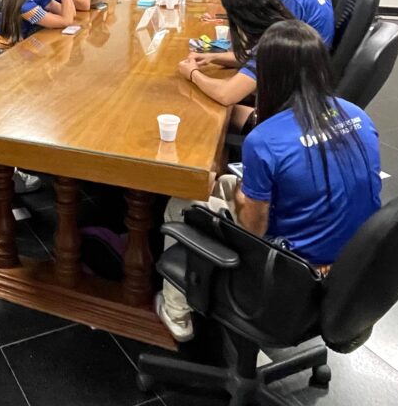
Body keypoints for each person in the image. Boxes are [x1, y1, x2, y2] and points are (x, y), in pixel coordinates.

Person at [157, 19, 381, 341]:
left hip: (293, 272)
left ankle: (176, 313)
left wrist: (242, 202)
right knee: (224, 184)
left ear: (269, 74)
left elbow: (254, 230)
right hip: (352, 263)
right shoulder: (357, 114)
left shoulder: (264, 141)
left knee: (182, 202)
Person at [177, 0, 293, 131]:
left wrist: (193, 74)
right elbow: (251, 59)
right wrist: (213, 57)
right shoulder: (282, 27)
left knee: (209, 112)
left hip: (280, 126)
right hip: (292, 114)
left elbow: (226, 94)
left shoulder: (270, 46)